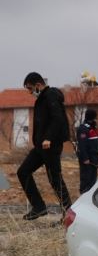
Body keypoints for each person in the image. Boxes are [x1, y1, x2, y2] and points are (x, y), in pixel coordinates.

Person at [16, 72, 72, 220]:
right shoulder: (41, 99)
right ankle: (39, 207)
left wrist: (48, 138)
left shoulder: (51, 95)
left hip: (51, 146)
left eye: (30, 88)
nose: (29, 92)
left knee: (55, 180)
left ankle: (69, 214)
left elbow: (58, 118)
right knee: (23, 172)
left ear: (38, 85)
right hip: (41, 147)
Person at [75, 108, 98, 193]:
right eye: (95, 118)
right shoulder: (83, 129)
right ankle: (83, 197)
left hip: (94, 159)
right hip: (88, 160)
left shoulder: (93, 128)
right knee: (86, 181)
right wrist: (85, 158)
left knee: (92, 182)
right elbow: (82, 145)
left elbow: (96, 142)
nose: (96, 119)